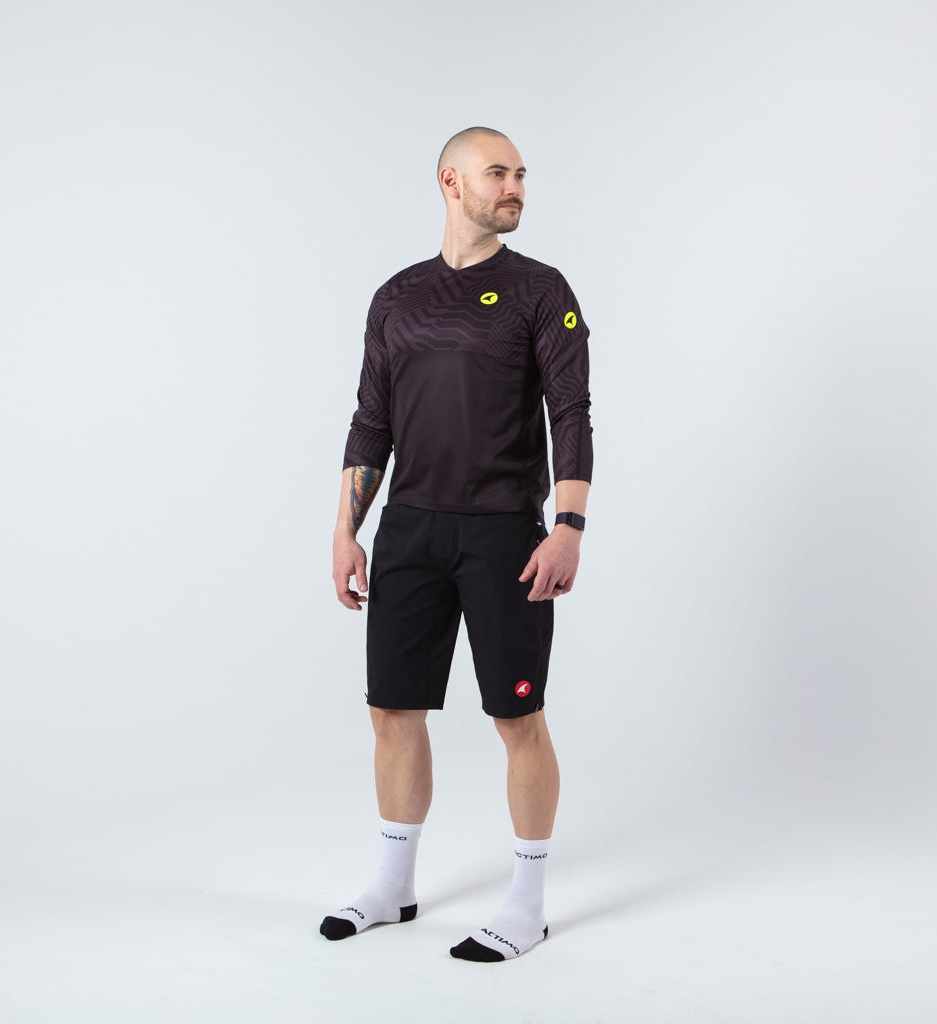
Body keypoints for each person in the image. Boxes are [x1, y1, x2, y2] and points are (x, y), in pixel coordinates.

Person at [320, 126, 593, 962]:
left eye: (520, 175)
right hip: (408, 528)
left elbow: (570, 413)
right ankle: (393, 886)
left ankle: (528, 904)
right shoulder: (396, 297)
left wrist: (569, 526)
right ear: (451, 182)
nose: (514, 187)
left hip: (505, 533)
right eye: (497, 173)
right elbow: (372, 419)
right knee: (392, 710)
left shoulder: (540, 290)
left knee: (517, 716)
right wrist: (346, 528)